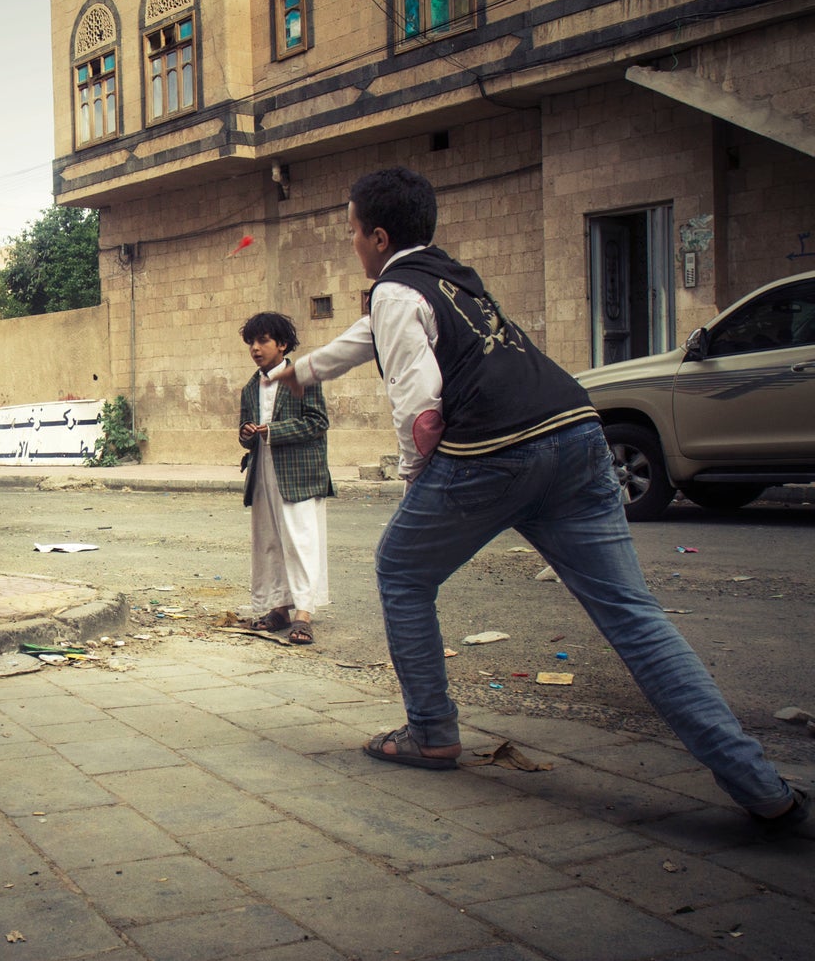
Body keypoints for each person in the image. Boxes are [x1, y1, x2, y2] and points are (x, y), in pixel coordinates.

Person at [270, 166, 808, 832]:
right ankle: (764, 789)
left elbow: (418, 401)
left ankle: (432, 731)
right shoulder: (449, 277)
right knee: (634, 616)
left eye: (351, 230)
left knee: (401, 570)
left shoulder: (391, 291)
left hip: (495, 451)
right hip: (577, 433)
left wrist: (416, 480)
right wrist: (304, 370)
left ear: (377, 237)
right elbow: (374, 335)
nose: (350, 241)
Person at [238, 312, 335, 645]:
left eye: (263, 340)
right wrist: (249, 433)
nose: (255, 348)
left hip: (299, 474)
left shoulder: (303, 378)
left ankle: (303, 615)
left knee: (300, 541)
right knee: (270, 541)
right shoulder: (251, 387)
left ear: (282, 344)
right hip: (263, 472)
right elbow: (244, 434)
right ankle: (278, 608)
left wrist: (273, 431)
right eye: (251, 341)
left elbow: (318, 422)